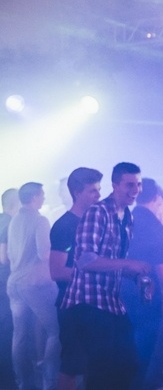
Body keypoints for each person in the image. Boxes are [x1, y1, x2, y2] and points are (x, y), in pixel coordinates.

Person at [60, 162, 151, 390]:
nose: (136, 190)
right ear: (115, 185)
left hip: (110, 303)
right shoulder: (97, 212)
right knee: (103, 371)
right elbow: (85, 260)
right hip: (88, 303)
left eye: (138, 184)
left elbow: (112, 262)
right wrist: (129, 263)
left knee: (128, 365)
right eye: (129, 185)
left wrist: (135, 276)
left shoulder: (127, 216)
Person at [49, 167, 103, 390]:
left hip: (94, 305)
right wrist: (97, 272)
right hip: (73, 306)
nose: (98, 195)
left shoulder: (95, 222)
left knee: (95, 362)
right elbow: (56, 271)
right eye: (93, 191)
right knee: (72, 365)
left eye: (99, 190)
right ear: (77, 193)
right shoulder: (65, 226)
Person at [7, 182, 60, 390]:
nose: (44, 198)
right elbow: (44, 254)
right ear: (34, 197)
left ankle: (23, 384)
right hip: (35, 283)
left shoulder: (14, 220)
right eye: (42, 194)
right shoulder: (40, 220)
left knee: (19, 335)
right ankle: (49, 382)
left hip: (15, 283)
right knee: (55, 331)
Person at [121, 178, 163, 390]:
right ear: (157, 198)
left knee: (133, 339)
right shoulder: (152, 223)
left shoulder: (128, 217)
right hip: (147, 289)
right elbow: (160, 265)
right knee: (148, 340)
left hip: (127, 287)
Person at [0, 188, 20, 388]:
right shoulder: (9, 223)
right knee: (6, 331)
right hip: (4, 282)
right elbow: (3, 257)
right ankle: (8, 380)